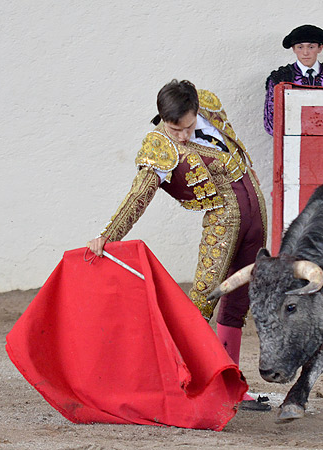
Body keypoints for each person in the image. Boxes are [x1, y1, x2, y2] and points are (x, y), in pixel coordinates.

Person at [88, 79, 270, 411]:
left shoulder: (209, 105)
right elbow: (139, 195)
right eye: (175, 129)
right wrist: (108, 235)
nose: (183, 136)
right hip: (223, 222)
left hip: (256, 213)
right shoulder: (158, 145)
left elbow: (234, 149)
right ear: (162, 118)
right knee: (202, 299)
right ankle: (180, 383)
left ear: (196, 111)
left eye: (187, 127)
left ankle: (230, 384)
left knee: (238, 298)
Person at [263, 24, 323, 135]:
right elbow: (271, 123)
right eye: (300, 47)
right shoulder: (280, 78)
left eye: (311, 47)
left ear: (320, 48)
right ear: (294, 49)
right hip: (291, 143)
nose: (305, 53)